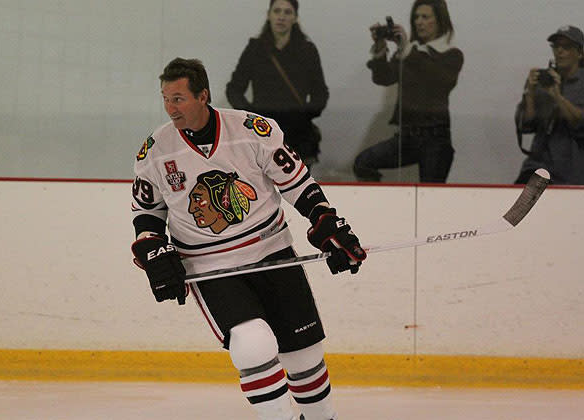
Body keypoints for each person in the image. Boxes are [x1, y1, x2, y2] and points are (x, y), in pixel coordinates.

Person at [130, 57, 366, 420]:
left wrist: (324, 222)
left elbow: (298, 183)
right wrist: (151, 248)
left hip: (272, 251)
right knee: (252, 344)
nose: (169, 107)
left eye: (178, 98)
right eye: (165, 98)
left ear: (202, 95)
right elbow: (147, 211)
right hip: (210, 267)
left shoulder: (252, 130)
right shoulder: (156, 150)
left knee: (304, 355)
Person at [353, 0, 463, 183]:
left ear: (440, 21)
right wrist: (380, 50)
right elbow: (384, 78)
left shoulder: (451, 55)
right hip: (406, 137)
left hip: (436, 140)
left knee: (431, 196)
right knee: (363, 163)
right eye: (416, 17)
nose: (419, 22)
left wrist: (406, 49)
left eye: (425, 17)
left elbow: (438, 80)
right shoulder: (410, 53)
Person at [226, 0, 329, 167]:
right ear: (269, 15)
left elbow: (320, 92)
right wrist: (250, 115)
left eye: (287, 12)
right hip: (262, 131)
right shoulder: (255, 49)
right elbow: (234, 88)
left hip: (298, 132)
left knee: (297, 189)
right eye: (277, 11)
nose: (281, 17)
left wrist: (305, 114)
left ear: (295, 18)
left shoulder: (307, 50)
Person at [514, 25, 584, 185]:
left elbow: (580, 125)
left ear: (580, 53)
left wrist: (557, 96)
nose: (560, 51)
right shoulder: (544, 80)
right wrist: (530, 93)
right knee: (517, 206)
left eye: (566, 47)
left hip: (571, 173)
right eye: (556, 46)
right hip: (537, 168)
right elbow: (526, 125)